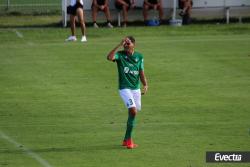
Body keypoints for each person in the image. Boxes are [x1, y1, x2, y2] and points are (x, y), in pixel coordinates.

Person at [107, 36, 148, 149]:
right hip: (124, 88)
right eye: (124, 43)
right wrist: (118, 45)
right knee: (133, 111)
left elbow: (141, 71)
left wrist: (145, 84)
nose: (126, 45)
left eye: (128, 43)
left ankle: (126, 139)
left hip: (136, 89)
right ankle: (129, 141)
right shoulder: (120, 55)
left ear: (133, 44)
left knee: (133, 113)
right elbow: (109, 57)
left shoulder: (139, 56)